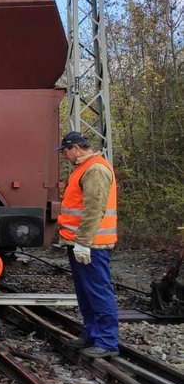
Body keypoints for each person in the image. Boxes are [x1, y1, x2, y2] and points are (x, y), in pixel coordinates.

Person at [56, 131, 119, 358]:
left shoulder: (95, 169)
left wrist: (83, 242)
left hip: (92, 245)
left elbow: (94, 210)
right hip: (81, 243)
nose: (64, 156)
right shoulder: (83, 169)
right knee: (86, 292)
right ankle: (92, 335)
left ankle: (107, 341)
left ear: (75, 148)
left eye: (65, 151)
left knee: (98, 291)